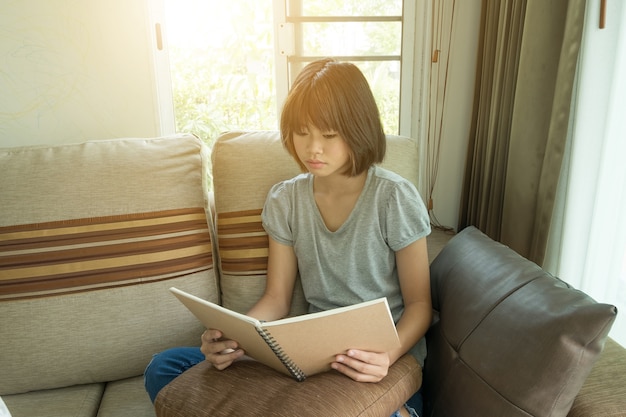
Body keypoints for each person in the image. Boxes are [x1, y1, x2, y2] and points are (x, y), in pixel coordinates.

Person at [144, 58, 432, 417]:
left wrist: (386, 356)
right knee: (164, 368)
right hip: (309, 359)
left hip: (376, 362)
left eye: (329, 135)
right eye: (301, 132)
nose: (313, 149)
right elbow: (277, 299)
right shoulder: (285, 199)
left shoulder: (394, 197)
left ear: (359, 131)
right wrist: (236, 339)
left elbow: (420, 305)